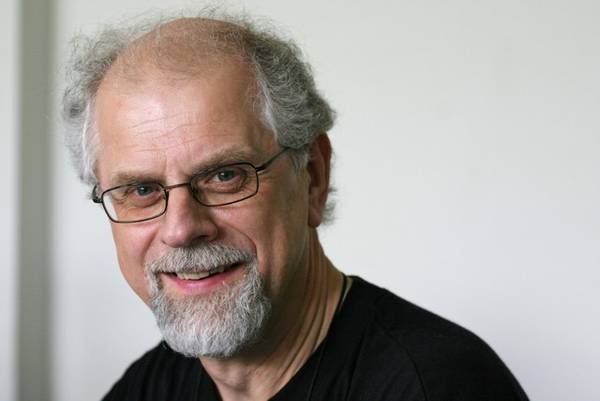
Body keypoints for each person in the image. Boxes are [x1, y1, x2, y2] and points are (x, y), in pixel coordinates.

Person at [62, 11, 529, 401]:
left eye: (224, 176)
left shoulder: (438, 387)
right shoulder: (149, 388)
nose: (181, 228)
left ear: (313, 178)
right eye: (141, 189)